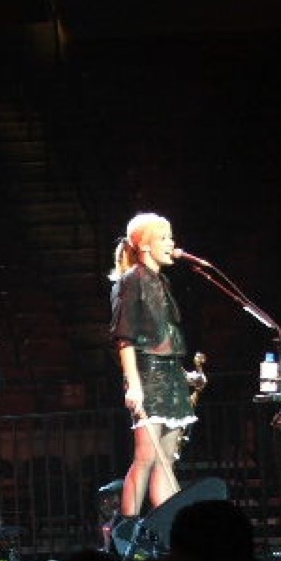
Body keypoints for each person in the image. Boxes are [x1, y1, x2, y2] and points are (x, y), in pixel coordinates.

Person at [108, 212, 195, 534]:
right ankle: (126, 530)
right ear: (144, 245)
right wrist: (134, 385)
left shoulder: (161, 280)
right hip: (147, 374)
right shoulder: (131, 281)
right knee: (145, 456)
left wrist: (182, 373)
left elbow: (165, 334)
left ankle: (169, 529)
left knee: (166, 459)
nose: (172, 244)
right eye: (164, 238)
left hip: (170, 372)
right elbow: (124, 338)